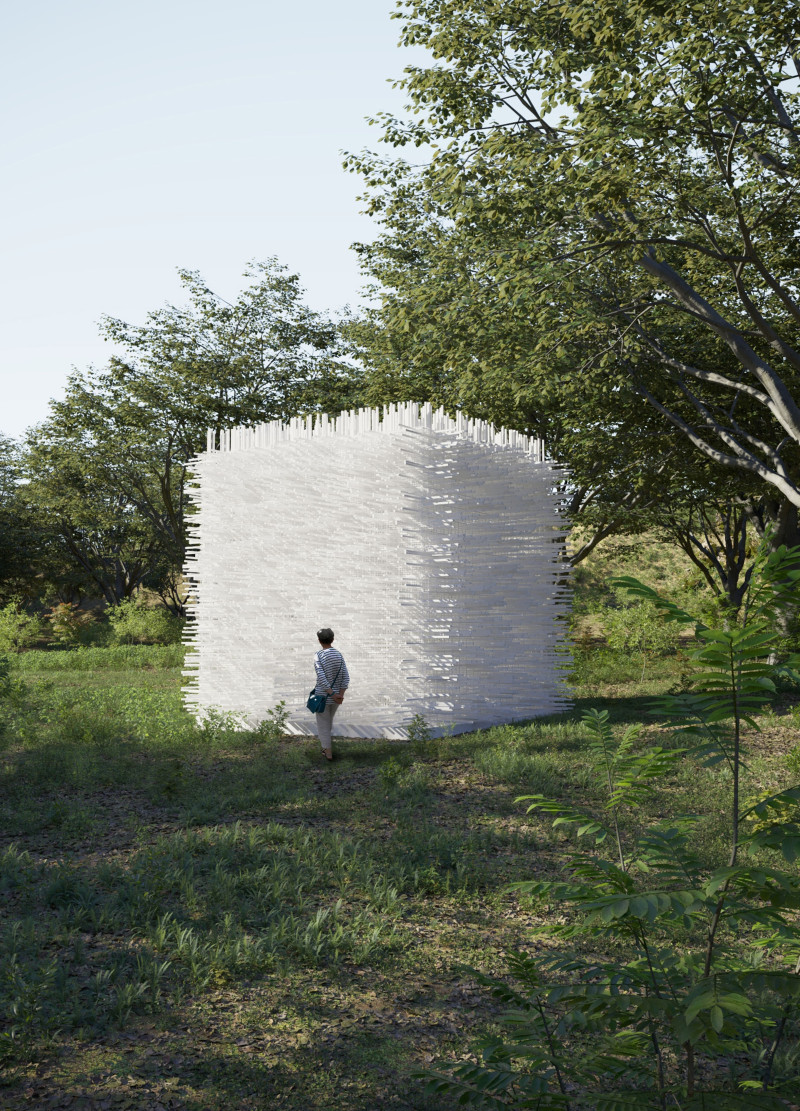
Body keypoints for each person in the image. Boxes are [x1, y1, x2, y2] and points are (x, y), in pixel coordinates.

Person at [313, 628, 349, 761]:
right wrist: (340, 695)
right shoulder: (339, 655)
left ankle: (327, 752)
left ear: (319, 640)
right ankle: (327, 747)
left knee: (323, 724)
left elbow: (321, 678)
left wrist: (332, 693)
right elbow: (346, 677)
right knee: (328, 723)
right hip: (336, 699)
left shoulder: (318, 655)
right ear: (332, 639)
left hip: (322, 696)